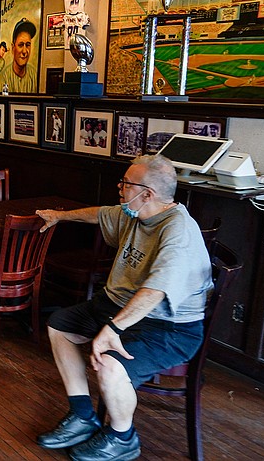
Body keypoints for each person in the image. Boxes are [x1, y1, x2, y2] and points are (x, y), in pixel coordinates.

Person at [34, 154, 212, 461]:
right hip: (118, 305)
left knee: (110, 364)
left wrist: (113, 329)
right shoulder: (136, 212)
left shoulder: (177, 231)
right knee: (60, 325)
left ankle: (123, 437)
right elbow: (101, 214)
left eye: (126, 183)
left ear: (148, 194)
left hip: (168, 326)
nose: (120, 187)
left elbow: (155, 291)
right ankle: (82, 416)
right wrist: (60, 216)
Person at [0, 18, 37, 93]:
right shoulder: (4, 76)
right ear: (13, 48)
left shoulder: (33, 74)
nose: (25, 51)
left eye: (28, 45)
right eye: (21, 45)